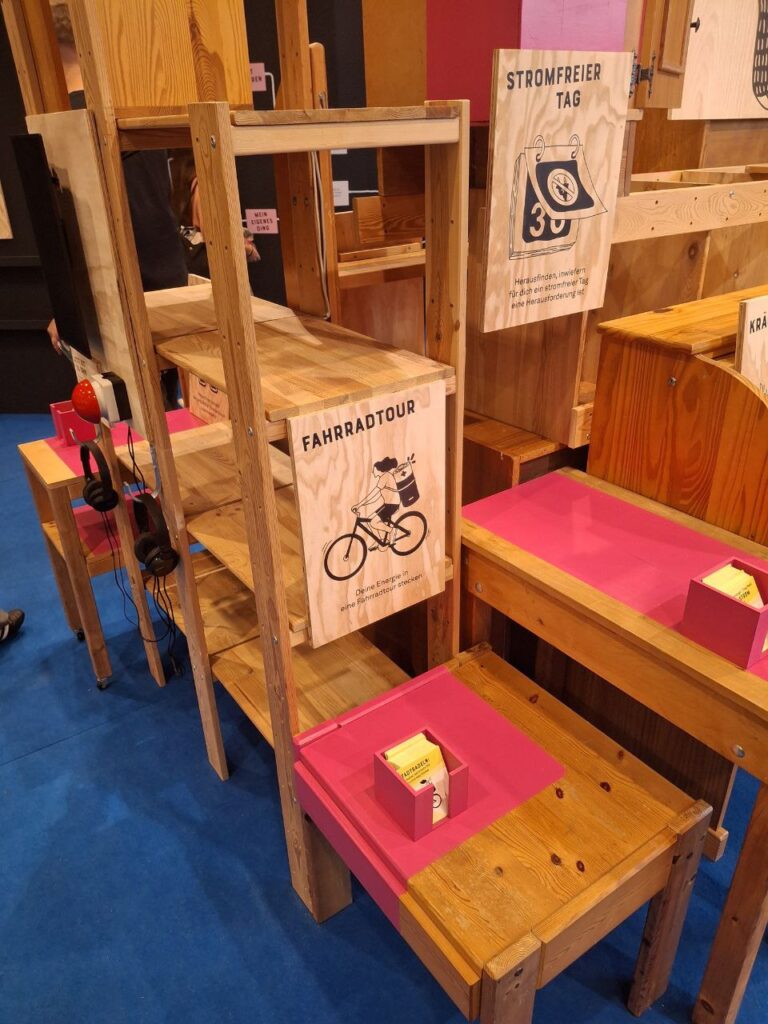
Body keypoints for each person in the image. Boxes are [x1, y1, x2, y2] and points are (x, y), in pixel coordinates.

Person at [48, 3, 187, 407]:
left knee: (129, 412)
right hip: (160, 279)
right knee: (156, 408)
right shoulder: (130, 110)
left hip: (120, 293)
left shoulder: (73, 121)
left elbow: (92, 224)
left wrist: (71, 306)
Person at [352, 457, 401, 548]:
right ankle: (380, 540)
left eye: (373, 470)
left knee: (373, 522)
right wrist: (362, 505)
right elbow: (375, 498)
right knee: (371, 519)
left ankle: (392, 530)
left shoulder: (385, 477)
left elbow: (373, 494)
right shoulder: (385, 476)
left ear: (378, 469)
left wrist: (358, 505)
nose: (372, 472)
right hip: (389, 504)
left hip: (392, 505)